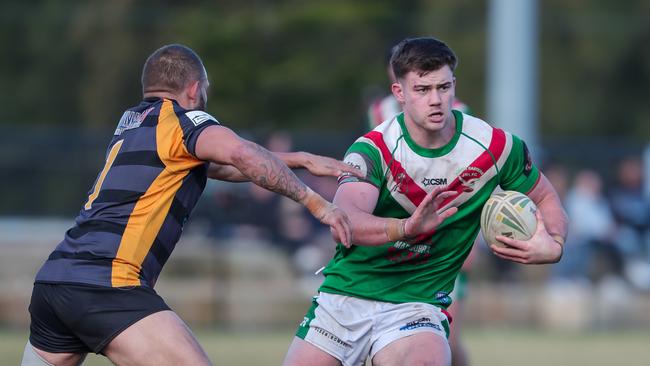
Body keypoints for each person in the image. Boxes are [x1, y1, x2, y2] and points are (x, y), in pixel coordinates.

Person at [21, 44, 362, 366]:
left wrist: (300, 159)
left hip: (55, 282)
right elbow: (243, 154)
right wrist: (316, 202)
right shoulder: (186, 119)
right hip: (107, 283)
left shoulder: (134, 123)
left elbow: (221, 165)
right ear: (195, 89)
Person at [283, 36, 568, 366]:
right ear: (399, 93)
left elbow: (546, 196)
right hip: (347, 296)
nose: (436, 100)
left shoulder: (496, 147)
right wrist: (406, 227)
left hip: (417, 305)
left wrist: (555, 244)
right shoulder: (373, 149)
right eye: (422, 90)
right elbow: (344, 221)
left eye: (443, 88)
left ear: (454, 86)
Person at [366, 46, 474, 366]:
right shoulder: (379, 112)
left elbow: (472, 175)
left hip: (444, 227)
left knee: (449, 341)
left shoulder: (461, 114)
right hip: (399, 228)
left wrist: (473, 235)